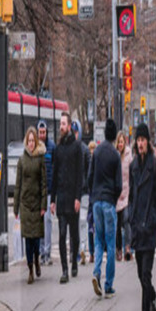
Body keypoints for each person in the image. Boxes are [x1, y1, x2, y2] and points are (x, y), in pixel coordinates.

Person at [128, 123, 156, 311]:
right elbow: (132, 195)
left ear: (148, 142)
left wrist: (153, 219)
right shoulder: (133, 166)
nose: (140, 143)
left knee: (146, 274)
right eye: (138, 140)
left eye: (143, 140)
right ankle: (152, 296)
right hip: (137, 228)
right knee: (141, 277)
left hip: (148, 228)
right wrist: (132, 218)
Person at [88, 118, 121, 298]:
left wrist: (93, 196)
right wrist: (114, 200)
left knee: (98, 241)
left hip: (96, 201)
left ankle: (95, 273)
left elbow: (89, 176)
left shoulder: (97, 152)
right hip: (109, 201)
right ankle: (108, 284)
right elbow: (119, 185)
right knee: (110, 242)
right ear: (114, 135)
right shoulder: (115, 155)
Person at [50, 112, 83, 284]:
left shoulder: (76, 147)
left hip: (73, 199)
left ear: (69, 126)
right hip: (61, 199)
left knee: (74, 235)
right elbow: (54, 175)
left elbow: (80, 175)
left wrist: (78, 197)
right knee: (62, 235)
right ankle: (64, 269)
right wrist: (52, 199)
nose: (61, 127)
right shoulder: (58, 148)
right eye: (60, 124)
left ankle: (74, 262)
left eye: (63, 124)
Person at [13, 126, 47, 285]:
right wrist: (15, 207)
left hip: (37, 204)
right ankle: (31, 269)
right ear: (27, 142)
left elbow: (43, 184)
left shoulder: (40, 159)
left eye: (34, 141)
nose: (32, 143)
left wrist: (43, 205)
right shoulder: (22, 160)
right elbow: (18, 184)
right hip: (25, 205)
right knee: (28, 240)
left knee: (36, 241)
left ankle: (37, 259)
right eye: (30, 141)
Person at [72, 120, 91, 266]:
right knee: (76, 223)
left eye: (75, 132)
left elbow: (89, 171)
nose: (74, 134)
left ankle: (81, 249)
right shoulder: (74, 149)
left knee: (81, 221)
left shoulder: (83, 150)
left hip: (83, 192)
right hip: (75, 192)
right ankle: (78, 249)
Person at [37, 120, 55, 266]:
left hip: (49, 191)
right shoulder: (35, 148)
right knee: (39, 222)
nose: (42, 135)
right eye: (40, 133)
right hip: (38, 192)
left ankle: (47, 252)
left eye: (43, 132)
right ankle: (41, 251)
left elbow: (54, 170)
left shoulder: (51, 147)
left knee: (47, 222)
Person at [115, 131, 133, 261]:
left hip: (126, 192)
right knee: (117, 224)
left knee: (127, 220)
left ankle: (127, 247)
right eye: (119, 142)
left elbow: (132, 173)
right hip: (116, 193)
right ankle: (118, 250)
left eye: (122, 142)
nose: (120, 144)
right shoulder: (115, 155)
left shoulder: (129, 155)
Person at [87, 140, 97, 262]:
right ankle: (91, 252)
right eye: (91, 149)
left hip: (96, 197)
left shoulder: (97, 163)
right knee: (90, 226)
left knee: (97, 226)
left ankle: (95, 251)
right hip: (90, 197)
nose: (92, 151)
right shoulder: (89, 162)